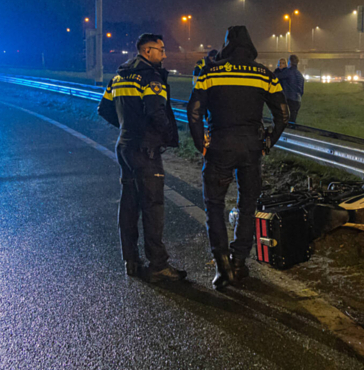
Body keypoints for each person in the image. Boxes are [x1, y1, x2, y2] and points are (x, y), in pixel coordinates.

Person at [187, 26, 289, 290]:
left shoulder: (209, 73)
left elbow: (194, 112)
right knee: (247, 205)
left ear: (227, 44)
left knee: (214, 205)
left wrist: (202, 146)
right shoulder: (264, 74)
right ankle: (240, 262)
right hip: (251, 147)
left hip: (220, 145)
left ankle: (222, 268)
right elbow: (283, 114)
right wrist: (268, 141)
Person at [98, 33, 187, 282]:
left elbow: (103, 109)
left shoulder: (119, 76)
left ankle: (131, 260)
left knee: (129, 204)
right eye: (161, 49)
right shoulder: (150, 77)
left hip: (125, 147)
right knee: (153, 206)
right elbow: (157, 112)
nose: (164, 54)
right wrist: (169, 135)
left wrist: (128, 126)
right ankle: (158, 265)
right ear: (147, 51)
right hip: (145, 150)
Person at [275, 54, 305, 123]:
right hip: (297, 100)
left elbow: (276, 77)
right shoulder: (299, 74)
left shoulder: (288, 72)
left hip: (289, 99)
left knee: (283, 120)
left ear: (290, 62)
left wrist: (278, 69)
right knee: (292, 120)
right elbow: (302, 89)